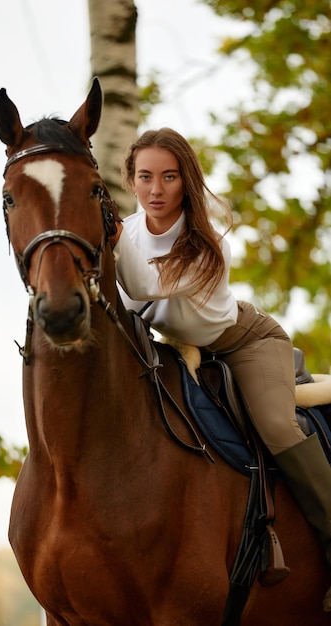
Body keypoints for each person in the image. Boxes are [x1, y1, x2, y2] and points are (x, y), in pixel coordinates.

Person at [110, 127, 331, 612]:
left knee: (276, 425)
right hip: (185, 350)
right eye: (145, 176)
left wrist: (106, 229)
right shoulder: (124, 232)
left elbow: (145, 285)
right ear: (130, 180)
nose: (156, 189)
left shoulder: (205, 239)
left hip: (245, 342)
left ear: (185, 180)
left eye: (169, 177)